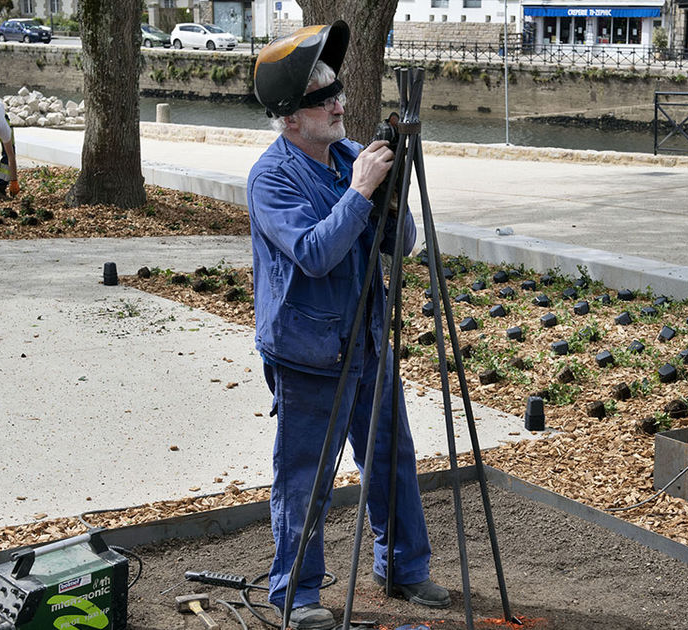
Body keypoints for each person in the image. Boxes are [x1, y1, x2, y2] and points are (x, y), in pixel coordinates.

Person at [247, 21, 449, 630]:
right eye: (321, 97)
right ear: (289, 117)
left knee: (391, 457)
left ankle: (404, 568)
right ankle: (297, 594)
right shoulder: (272, 177)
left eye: (336, 88)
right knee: (304, 478)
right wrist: (360, 191)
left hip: (366, 340)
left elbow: (402, 243)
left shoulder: (345, 154)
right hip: (308, 353)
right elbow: (312, 253)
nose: (338, 102)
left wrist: (390, 195)